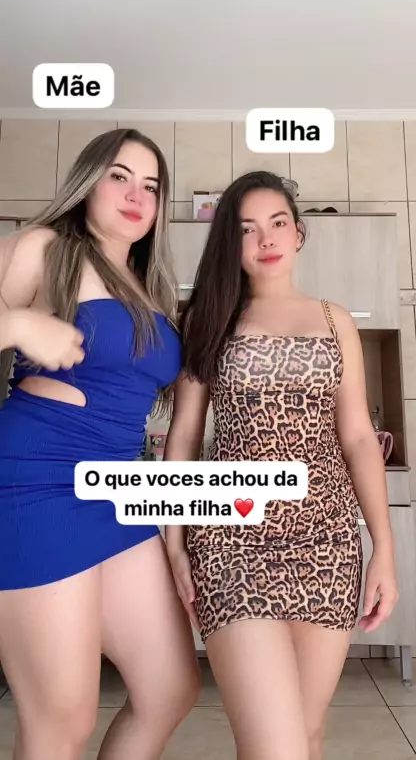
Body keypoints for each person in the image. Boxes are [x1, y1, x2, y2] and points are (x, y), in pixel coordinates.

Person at [164, 170, 399, 760]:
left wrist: (384, 549)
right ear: (229, 242)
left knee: (308, 734)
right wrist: (174, 541)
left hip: (328, 540)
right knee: (276, 746)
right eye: (246, 229)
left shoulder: (336, 321)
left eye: (277, 223)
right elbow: (185, 436)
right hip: (231, 541)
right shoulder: (206, 321)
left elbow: (358, 438)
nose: (265, 238)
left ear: (299, 233)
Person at [0, 129, 200, 760]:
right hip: (37, 484)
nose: (137, 195)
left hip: (118, 491)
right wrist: (17, 323)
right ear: (88, 182)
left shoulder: (149, 288)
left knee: (170, 690)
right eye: (119, 176)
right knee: (62, 720)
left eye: (151, 185)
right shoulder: (45, 248)